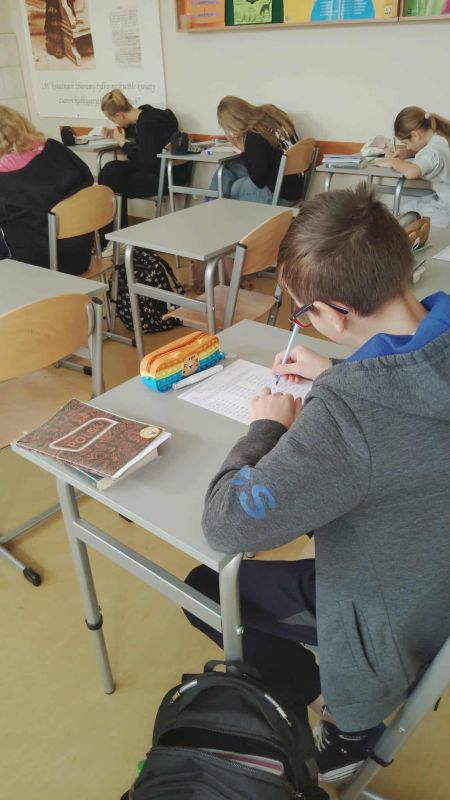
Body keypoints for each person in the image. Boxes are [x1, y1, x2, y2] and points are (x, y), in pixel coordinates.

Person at [184, 183, 450, 783]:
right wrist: (336, 368)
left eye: (304, 313)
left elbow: (226, 524)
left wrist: (264, 427)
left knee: (202, 586)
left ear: (334, 313)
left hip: (387, 620)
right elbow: (407, 393)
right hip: (431, 572)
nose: (304, 324)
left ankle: (345, 725)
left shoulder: (348, 414)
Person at [0, 106, 94, 273]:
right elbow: (88, 180)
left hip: (39, 268)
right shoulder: (55, 148)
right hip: (81, 255)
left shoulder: (5, 177)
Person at [98, 89, 187, 251]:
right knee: (110, 170)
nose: (114, 123)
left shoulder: (147, 123)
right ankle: (113, 237)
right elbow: (144, 139)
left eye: (113, 120)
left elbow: (146, 162)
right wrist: (117, 134)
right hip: (161, 170)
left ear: (119, 115)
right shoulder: (147, 114)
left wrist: (122, 143)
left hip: (164, 177)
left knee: (111, 180)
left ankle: (114, 239)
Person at [210, 95, 304, 204]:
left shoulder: (255, 136)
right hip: (291, 182)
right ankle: (212, 207)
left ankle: (215, 209)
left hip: (281, 192)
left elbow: (259, 179)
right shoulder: (271, 113)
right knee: (226, 170)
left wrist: (243, 151)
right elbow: (262, 158)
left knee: (236, 188)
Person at [378, 106, 450, 227]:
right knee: (402, 212)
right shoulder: (440, 137)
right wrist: (409, 153)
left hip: (446, 209)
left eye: (406, 143)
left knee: (402, 218)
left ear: (415, 135)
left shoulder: (433, 151)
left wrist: (393, 162)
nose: (407, 147)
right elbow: (433, 157)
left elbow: (413, 172)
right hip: (442, 200)